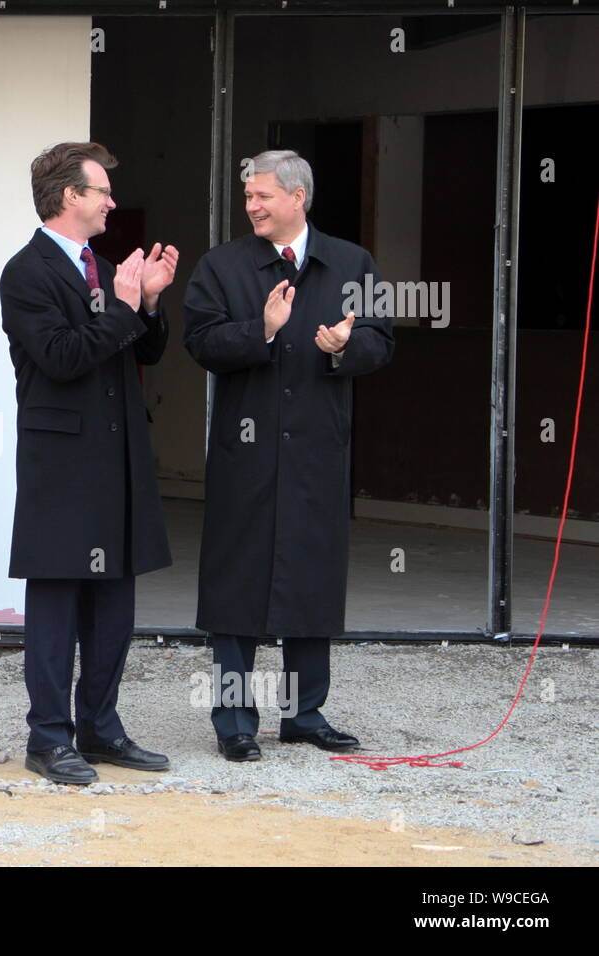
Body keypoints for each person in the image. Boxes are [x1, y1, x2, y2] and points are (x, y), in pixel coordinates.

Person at [182, 149, 394, 761]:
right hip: (244, 455)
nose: (251, 206)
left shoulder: (351, 263)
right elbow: (200, 342)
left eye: (262, 196)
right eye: (248, 196)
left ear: (298, 197)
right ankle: (234, 722)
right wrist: (265, 330)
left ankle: (304, 714)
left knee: (311, 580)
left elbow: (382, 342)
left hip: (317, 454)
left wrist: (345, 347)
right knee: (235, 586)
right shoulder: (222, 267)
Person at [0, 142, 179, 785]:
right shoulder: (25, 272)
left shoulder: (102, 267)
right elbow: (63, 357)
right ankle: (48, 738)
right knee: (56, 601)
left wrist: (150, 303)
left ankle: (101, 729)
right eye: (101, 190)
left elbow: (145, 352)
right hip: (62, 462)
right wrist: (127, 309)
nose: (110, 201)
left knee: (113, 601)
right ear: (70, 196)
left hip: (118, 457)